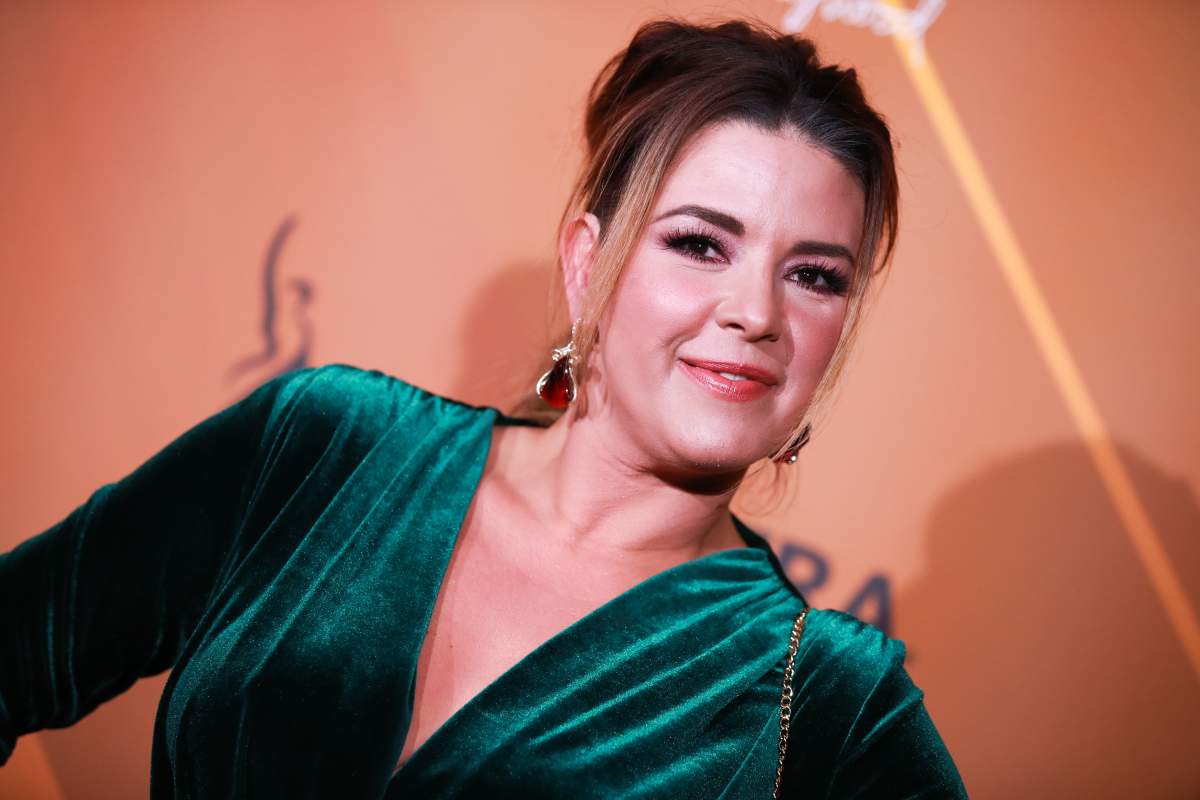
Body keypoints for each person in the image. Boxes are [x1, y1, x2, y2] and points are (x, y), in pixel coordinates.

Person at [0, 16, 968, 799]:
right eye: (700, 245)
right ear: (588, 263)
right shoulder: (325, 447)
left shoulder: (825, 699)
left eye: (814, 275)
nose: (756, 312)